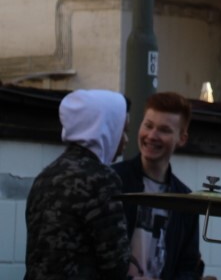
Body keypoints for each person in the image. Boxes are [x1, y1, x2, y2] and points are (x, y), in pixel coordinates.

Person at [24, 88, 132, 280]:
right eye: (122, 130)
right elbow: (116, 265)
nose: (125, 139)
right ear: (104, 128)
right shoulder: (101, 178)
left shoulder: (45, 176)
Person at [112, 91, 203, 279]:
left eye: (164, 130)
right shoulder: (113, 180)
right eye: (148, 125)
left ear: (182, 138)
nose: (152, 135)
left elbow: (188, 265)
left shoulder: (187, 201)